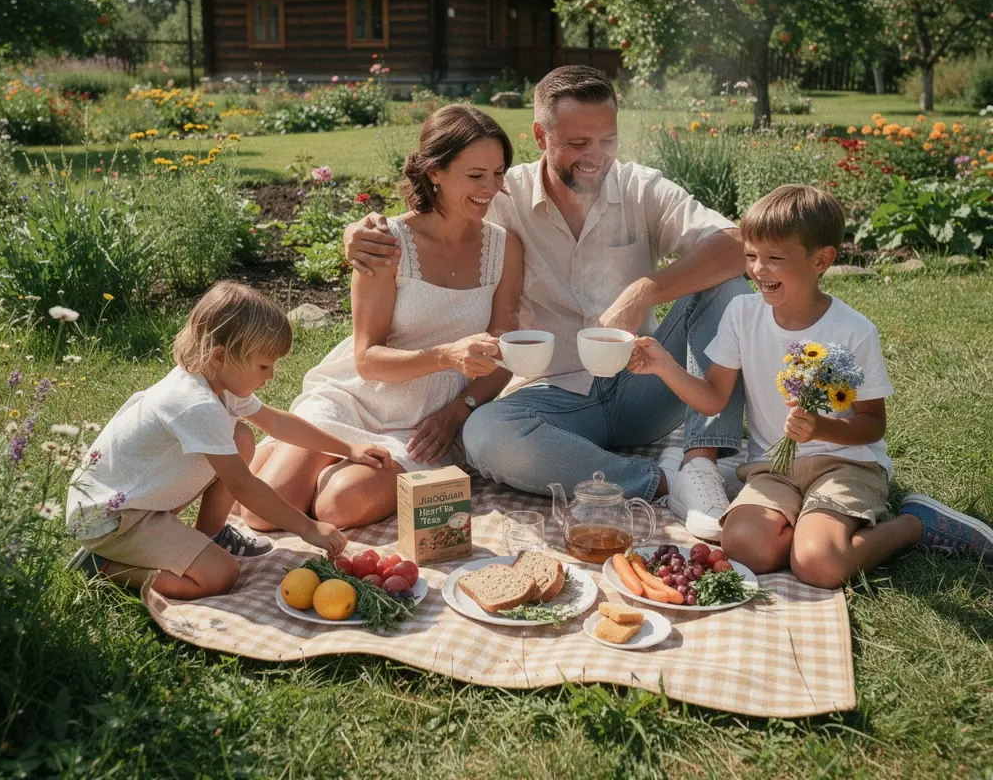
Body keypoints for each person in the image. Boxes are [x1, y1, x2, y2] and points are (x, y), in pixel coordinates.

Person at [344, 65, 749, 541]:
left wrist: (645, 290)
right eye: (578, 143)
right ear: (540, 135)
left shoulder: (641, 189)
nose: (596, 157)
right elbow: (431, 216)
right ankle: (661, 481)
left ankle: (701, 461)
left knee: (728, 287)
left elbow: (737, 244)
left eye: (607, 140)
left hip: (645, 384)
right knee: (486, 435)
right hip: (553, 396)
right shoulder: (500, 193)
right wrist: (358, 233)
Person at [627, 184, 993, 587]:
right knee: (743, 547)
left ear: (821, 260)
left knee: (818, 565)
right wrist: (664, 366)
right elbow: (713, 399)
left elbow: (873, 424)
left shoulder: (853, 331)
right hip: (775, 468)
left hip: (846, 464)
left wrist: (821, 427)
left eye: (774, 259)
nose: (758, 270)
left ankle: (913, 525)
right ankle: (813, 526)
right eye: (751, 256)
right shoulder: (741, 314)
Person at [243, 104, 523, 532]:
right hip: (358, 397)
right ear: (434, 172)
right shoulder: (384, 243)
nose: (491, 188)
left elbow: (504, 351)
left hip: (427, 422)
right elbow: (366, 360)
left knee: (339, 505)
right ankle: (305, 458)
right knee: (263, 513)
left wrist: (459, 411)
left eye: (498, 173)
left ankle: (300, 465)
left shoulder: (505, 248)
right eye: (475, 175)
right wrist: (448, 355)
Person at [65, 282, 390, 601]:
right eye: (264, 365)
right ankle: (101, 566)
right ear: (221, 356)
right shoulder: (196, 405)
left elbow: (278, 423)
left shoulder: (217, 381)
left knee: (241, 437)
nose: (271, 376)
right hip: (111, 520)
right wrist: (307, 528)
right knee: (219, 575)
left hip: (139, 500)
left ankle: (210, 535)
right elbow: (243, 486)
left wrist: (348, 448)